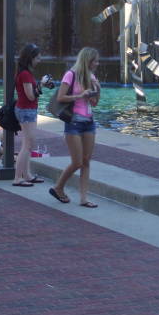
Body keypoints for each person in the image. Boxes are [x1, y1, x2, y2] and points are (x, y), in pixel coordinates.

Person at [49, 47, 101, 207]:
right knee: (77, 162)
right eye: (95, 61)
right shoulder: (70, 75)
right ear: (88, 61)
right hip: (73, 123)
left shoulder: (91, 77)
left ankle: (84, 198)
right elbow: (61, 97)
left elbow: (94, 103)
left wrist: (97, 89)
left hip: (89, 123)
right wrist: (79, 95)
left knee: (86, 161)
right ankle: (58, 187)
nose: (97, 64)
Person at [13, 44, 45, 187]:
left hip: (27, 110)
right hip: (26, 110)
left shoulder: (25, 72)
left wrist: (39, 85)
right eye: (37, 58)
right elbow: (31, 96)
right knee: (27, 145)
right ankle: (18, 178)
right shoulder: (25, 74)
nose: (39, 60)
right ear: (30, 58)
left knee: (29, 144)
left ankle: (27, 175)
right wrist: (41, 85)